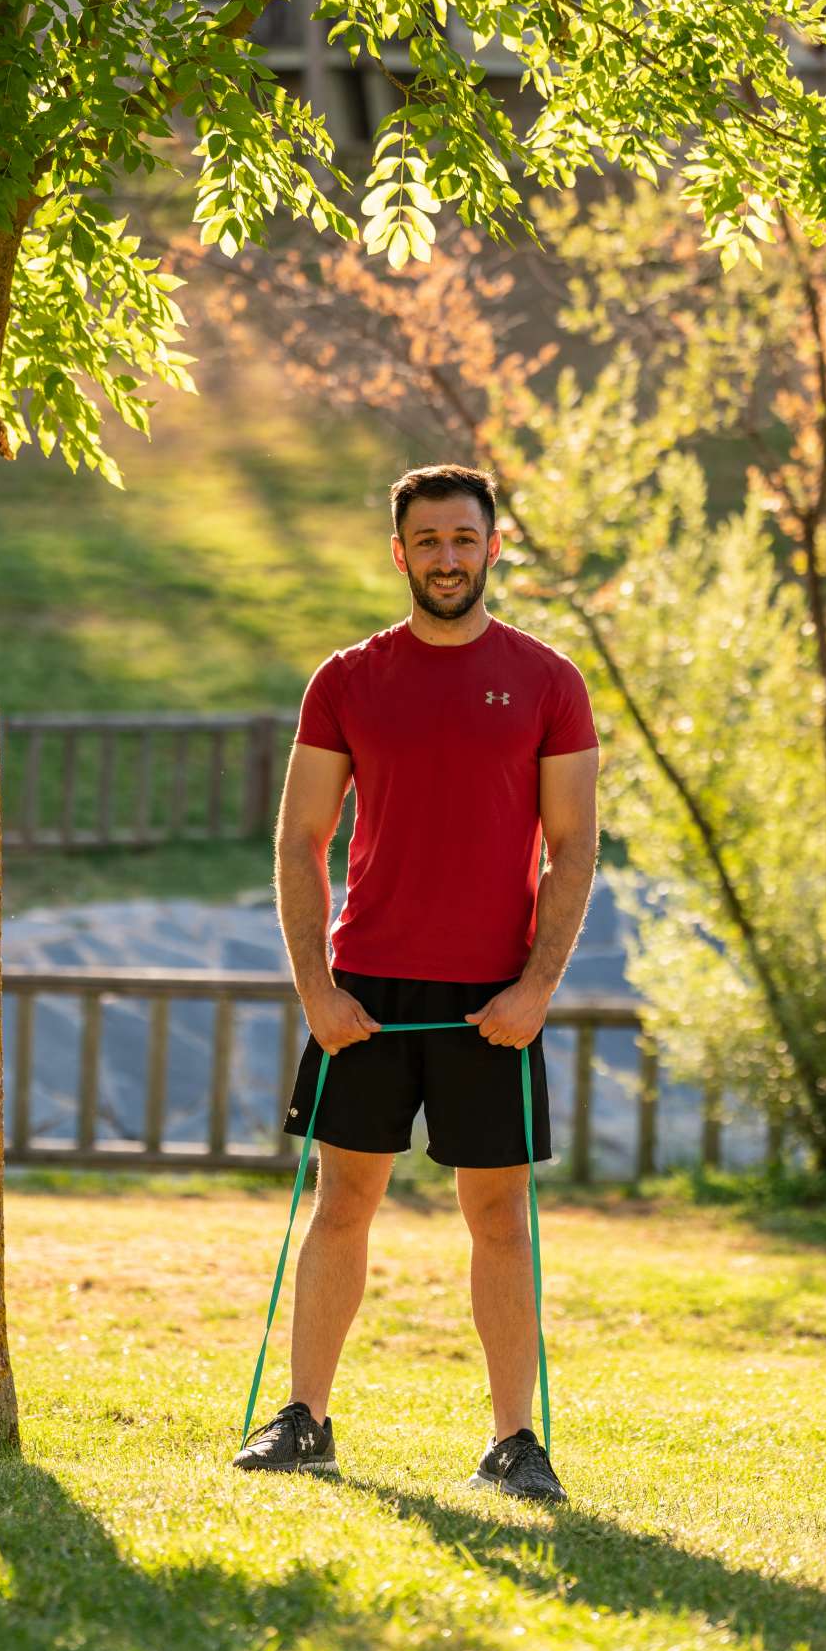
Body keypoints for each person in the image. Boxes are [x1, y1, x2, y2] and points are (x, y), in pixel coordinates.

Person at [233, 463, 599, 1501]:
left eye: (463, 538)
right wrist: (316, 988)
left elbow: (574, 848)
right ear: (400, 552)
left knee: (499, 1219)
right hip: (368, 995)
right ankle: (303, 1419)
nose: (446, 556)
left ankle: (515, 1442)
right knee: (340, 1203)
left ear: (494, 547)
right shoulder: (347, 679)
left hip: (494, 1001)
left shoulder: (547, 680)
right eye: (426, 540)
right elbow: (300, 839)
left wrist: (535, 990)